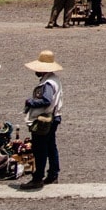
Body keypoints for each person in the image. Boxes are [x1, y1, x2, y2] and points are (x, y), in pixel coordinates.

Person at [20, 50, 63, 188]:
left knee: (40, 149)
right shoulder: (54, 79)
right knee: (51, 146)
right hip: (54, 117)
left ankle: (37, 178)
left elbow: (46, 100)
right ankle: (53, 174)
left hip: (45, 119)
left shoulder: (47, 84)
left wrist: (30, 102)